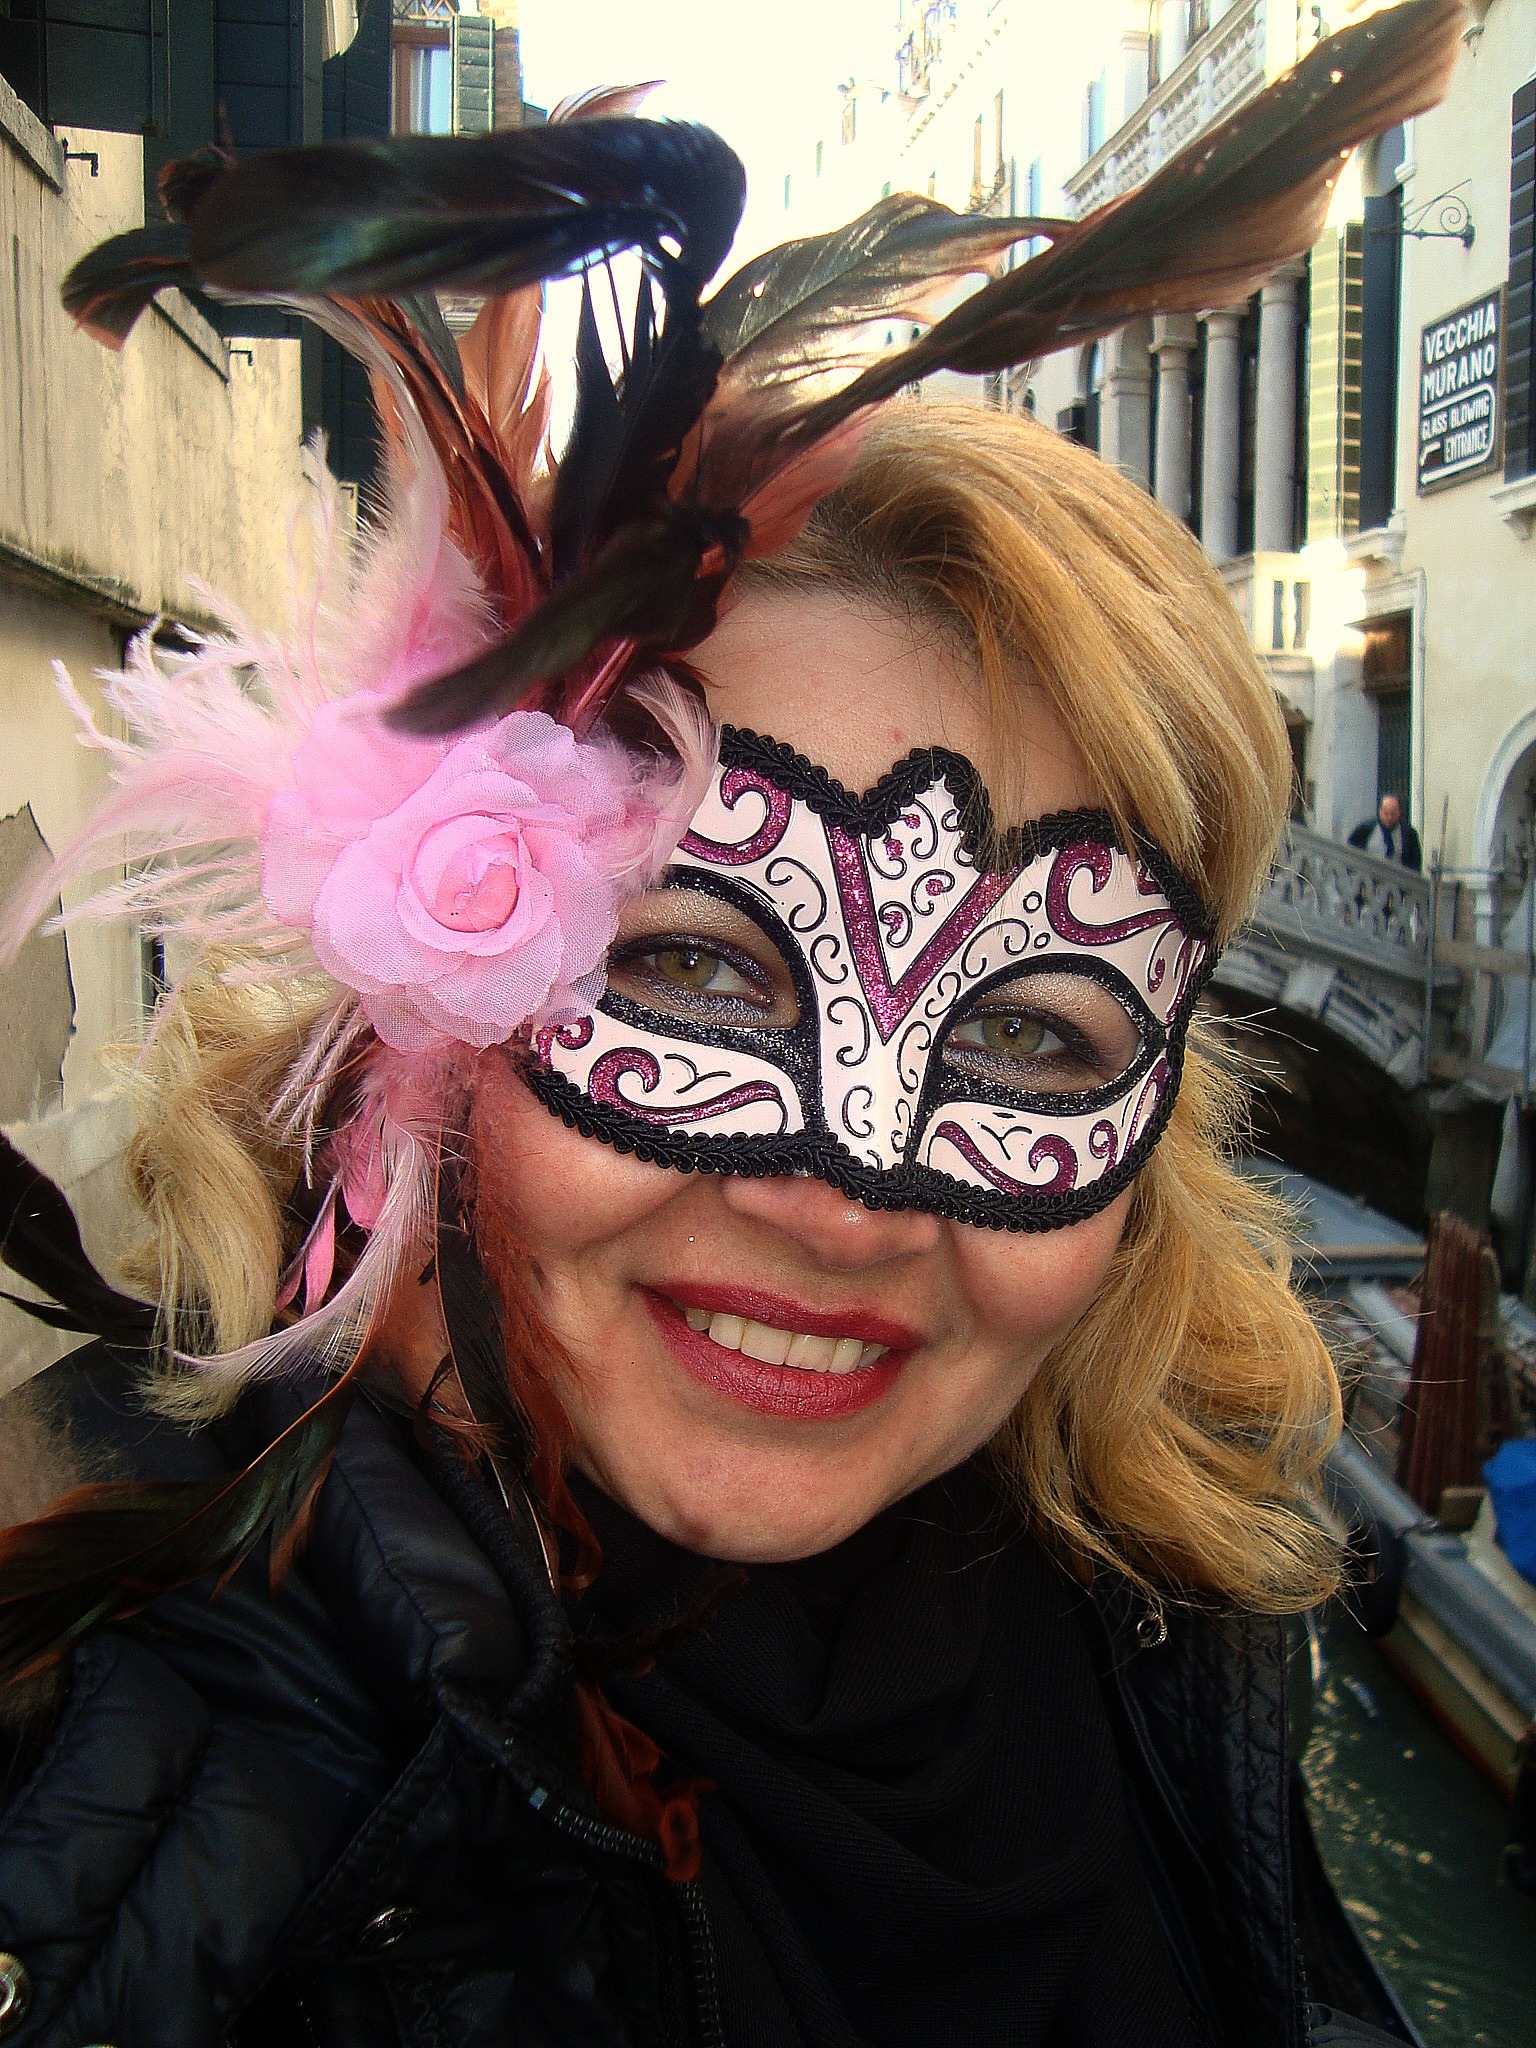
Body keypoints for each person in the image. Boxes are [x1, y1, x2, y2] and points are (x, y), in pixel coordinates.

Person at [0, 20, 1462, 2044]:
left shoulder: (1168, 1628)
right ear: (417, 1009)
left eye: (1037, 1037)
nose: (850, 1201)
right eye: (693, 968)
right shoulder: (103, 1748)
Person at [1348, 794, 1422, 871]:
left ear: (1399, 812)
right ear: (1380, 812)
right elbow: (1351, 855)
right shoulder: (1365, 830)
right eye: (1386, 813)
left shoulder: (1409, 834)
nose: (1390, 818)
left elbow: (1415, 865)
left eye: (1393, 814)